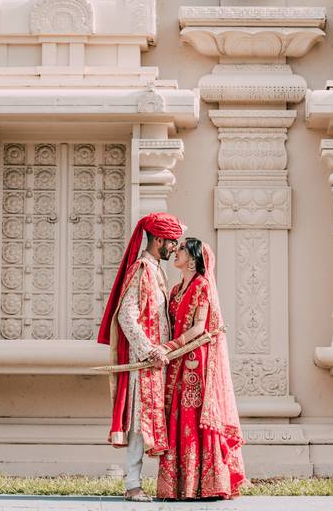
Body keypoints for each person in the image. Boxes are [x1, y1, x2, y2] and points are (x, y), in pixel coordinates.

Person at [97, 212, 185, 503]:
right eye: (172, 242)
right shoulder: (140, 269)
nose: (175, 247)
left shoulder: (156, 269)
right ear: (158, 239)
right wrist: (148, 350)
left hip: (157, 361)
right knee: (138, 425)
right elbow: (127, 315)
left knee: (150, 422)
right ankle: (133, 484)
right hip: (143, 362)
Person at [156, 237, 246, 500]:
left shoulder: (202, 286)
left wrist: (171, 345)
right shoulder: (175, 290)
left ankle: (207, 485)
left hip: (196, 360)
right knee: (178, 416)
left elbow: (199, 327)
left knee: (193, 416)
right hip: (177, 362)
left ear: (194, 259)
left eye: (181, 248)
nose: (175, 251)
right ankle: (180, 486)